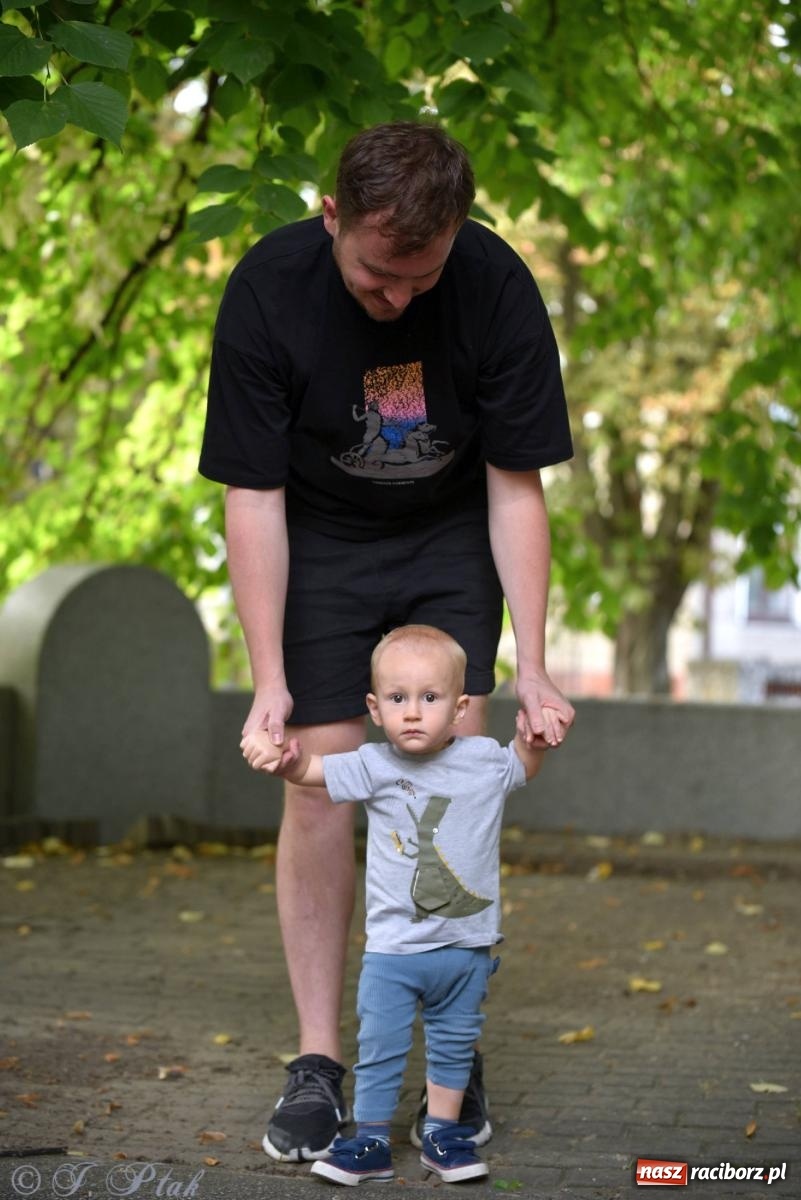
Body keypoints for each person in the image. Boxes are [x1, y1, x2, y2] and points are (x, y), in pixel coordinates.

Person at [199, 119, 575, 1163]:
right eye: (377, 276)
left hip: (449, 533)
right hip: (317, 538)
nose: (400, 299)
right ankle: (321, 1060)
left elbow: (515, 485)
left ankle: (450, 1050)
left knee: (453, 776)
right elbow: (252, 494)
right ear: (331, 217)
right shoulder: (269, 290)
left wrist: (535, 664)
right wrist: (269, 681)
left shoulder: (494, 287)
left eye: (423, 276)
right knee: (318, 782)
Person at [241, 625, 554, 1185]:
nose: (412, 712)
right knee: (380, 1048)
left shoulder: (483, 759)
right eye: (397, 698)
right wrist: (284, 761)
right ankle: (370, 1142)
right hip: (393, 953)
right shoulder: (373, 764)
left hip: (465, 949)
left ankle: (443, 1136)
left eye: (429, 698)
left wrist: (537, 736)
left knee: (453, 1047)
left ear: (460, 708)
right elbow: (313, 773)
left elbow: (522, 766)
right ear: (374, 708)